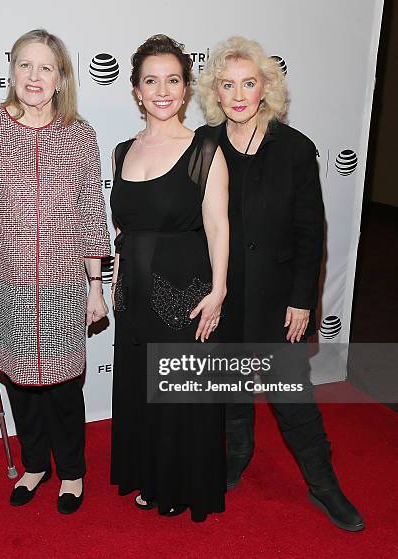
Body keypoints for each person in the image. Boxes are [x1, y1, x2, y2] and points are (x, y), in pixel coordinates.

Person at [197, 36, 364, 531]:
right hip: (224, 297)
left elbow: (311, 232)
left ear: (267, 87)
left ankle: (323, 485)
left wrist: (301, 301)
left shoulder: (295, 149)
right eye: (228, 85)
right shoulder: (205, 146)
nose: (239, 93)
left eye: (249, 83)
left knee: (292, 399)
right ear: (215, 93)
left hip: (276, 301)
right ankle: (237, 455)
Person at [0, 29, 110, 515]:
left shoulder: (80, 135)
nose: (34, 76)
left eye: (46, 67)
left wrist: (96, 288)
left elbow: (91, 212)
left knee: (64, 386)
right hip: (4, 283)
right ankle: (34, 464)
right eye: (25, 65)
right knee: (20, 383)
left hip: (65, 285)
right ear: (11, 71)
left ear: (62, 77)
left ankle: (72, 471)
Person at [110, 34, 229, 522]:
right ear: (137, 90)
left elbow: (219, 226)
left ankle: (182, 482)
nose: (162, 90)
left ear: (185, 89)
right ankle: (150, 474)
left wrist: (219, 291)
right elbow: (123, 230)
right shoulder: (122, 151)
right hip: (133, 293)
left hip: (185, 290)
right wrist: (113, 286)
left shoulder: (204, 148)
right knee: (142, 387)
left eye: (173, 80)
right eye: (151, 80)